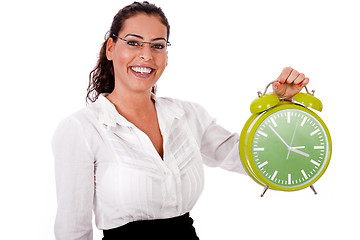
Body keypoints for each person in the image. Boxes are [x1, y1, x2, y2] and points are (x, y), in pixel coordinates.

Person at [52, 1, 309, 240]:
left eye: (157, 45)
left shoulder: (188, 116)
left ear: (166, 55)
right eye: (133, 43)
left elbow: (254, 157)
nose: (146, 55)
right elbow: (73, 229)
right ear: (110, 48)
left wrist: (280, 105)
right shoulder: (81, 129)